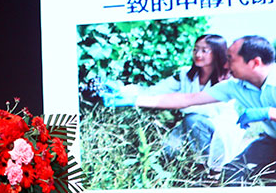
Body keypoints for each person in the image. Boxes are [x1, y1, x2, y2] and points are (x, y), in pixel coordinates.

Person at [105, 35, 276, 184]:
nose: (226, 63)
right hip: (271, 140)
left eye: (230, 58)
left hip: (229, 132)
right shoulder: (233, 86)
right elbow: (188, 99)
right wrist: (135, 100)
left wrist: (269, 112)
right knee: (231, 176)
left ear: (255, 63)